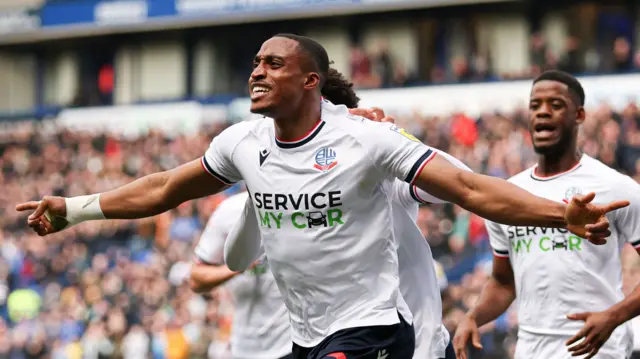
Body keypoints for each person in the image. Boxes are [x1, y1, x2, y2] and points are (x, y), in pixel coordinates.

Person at [17, 35, 626, 359]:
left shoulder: (368, 140)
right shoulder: (242, 144)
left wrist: (559, 214)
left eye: (274, 64)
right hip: (305, 337)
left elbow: (467, 186)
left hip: (378, 329)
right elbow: (164, 188)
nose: (256, 71)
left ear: (311, 82)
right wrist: (76, 208)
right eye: (255, 62)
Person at [453, 70, 640, 359]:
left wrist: (614, 316)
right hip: (531, 351)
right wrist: (474, 316)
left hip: (599, 350)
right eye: (535, 105)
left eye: (555, 105)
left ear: (579, 115)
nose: (542, 112)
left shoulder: (615, 187)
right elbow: (504, 282)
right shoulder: (507, 195)